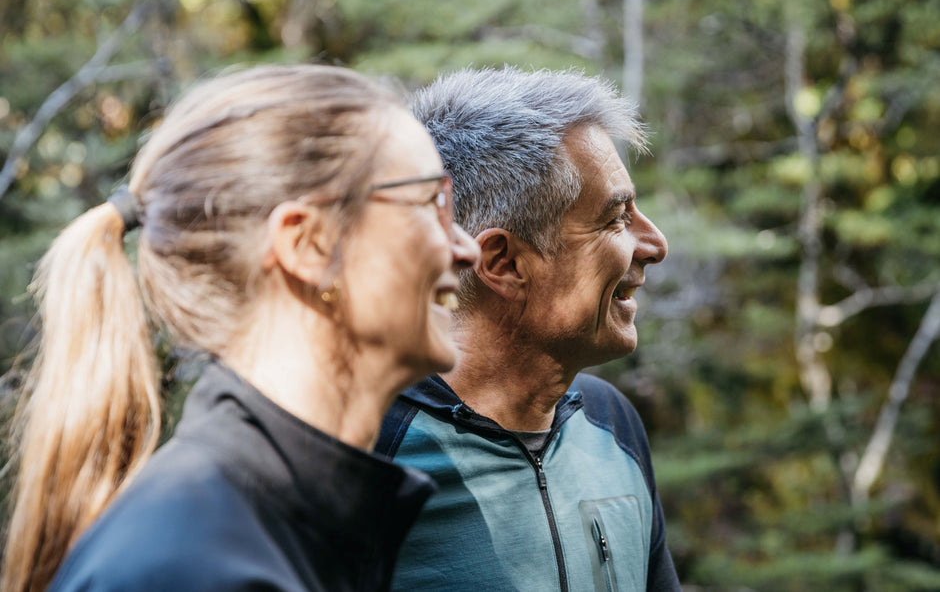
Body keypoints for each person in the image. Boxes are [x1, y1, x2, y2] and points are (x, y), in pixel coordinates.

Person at [1, 64, 480, 592]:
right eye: (431, 202)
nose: (467, 248)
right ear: (308, 245)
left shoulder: (280, 528)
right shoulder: (188, 567)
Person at [376, 67, 681, 591]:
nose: (654, 244)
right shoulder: (367, 455)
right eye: (615, 218)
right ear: (505, 263)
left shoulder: (614, 425)